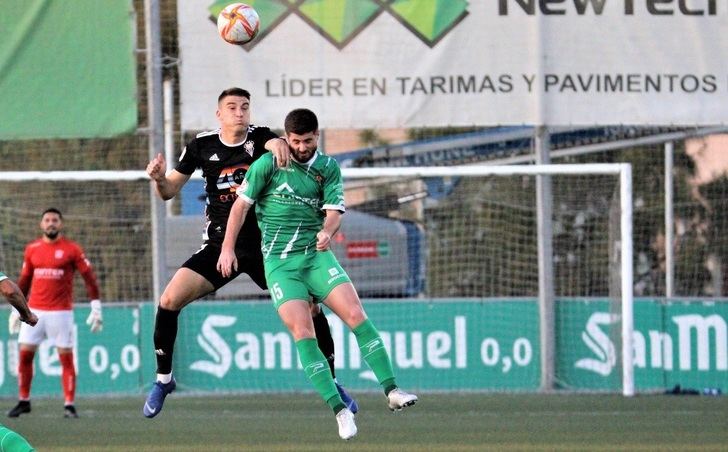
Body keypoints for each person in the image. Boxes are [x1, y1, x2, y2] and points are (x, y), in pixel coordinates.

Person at [143, 87, 357, 418]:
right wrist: (158, 179)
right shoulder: (201, 146)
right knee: (169, 301)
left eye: (245, 107)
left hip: (268, 248)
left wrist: (276, 144)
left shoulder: (260, 139)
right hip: (219, 246)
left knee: (313, 310)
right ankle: (163, 380)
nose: (239, 112)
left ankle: (333, 381)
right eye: (231, 107)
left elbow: (275, 143)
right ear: (219, 114)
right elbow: (169, 191)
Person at [217, 108, 418, 440]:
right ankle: (339, 410)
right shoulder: (268, 164)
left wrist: (327, 231)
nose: (300, 147)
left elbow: (335, 212)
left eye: (307, 141)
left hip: (316, 256)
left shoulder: (327, 168)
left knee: (355, 314)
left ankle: (392, 391)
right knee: (303, 331)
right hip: (281, 265)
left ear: (316, 137)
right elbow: (240, 207)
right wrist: (227, 248)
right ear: (287, 137)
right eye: (294, 141)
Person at [7, 208, 103, 419]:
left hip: (61, 313)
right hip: (34, 311)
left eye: (55, 220)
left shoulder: (72, 249)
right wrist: (17, 309)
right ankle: (24, 401)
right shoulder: (32, 249)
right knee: (24, 356)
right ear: (41, 224)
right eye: (47, 220)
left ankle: (69, 404)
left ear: (61, 224)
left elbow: (89, 278)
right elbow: (24, 281)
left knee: (66, 359)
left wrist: (95, 306)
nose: (51, 223)